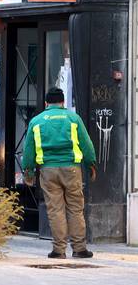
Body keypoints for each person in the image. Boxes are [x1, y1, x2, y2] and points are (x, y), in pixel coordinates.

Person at [22, 87, 96, 259]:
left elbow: (29, 150)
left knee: (55, 210)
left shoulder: (37, 121)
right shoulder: (73, 118)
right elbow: (86, 144)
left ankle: (59, 250)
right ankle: (79, 249)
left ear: (46, 103)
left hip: (48, 170)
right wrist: (91, 163)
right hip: (71, 169)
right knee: (75, 209)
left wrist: (28, 171)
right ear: (63, 102)